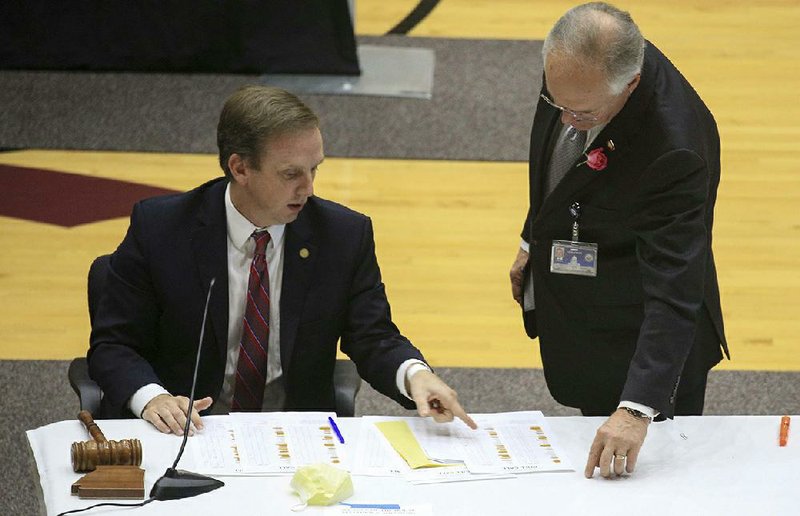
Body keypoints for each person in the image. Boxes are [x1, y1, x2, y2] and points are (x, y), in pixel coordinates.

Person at [89, 85, 476, 434]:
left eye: (314, 169)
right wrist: (152, 398)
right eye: (291, 174)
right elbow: (114, 344)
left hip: (296, 437)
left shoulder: (342, 235)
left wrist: (414, 375)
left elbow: (372, 335)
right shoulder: (162, 228)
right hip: (187, 431)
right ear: (240, 168)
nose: (308, 188)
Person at [509, 3, 728, 478]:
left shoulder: (675, 150)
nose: (566, 120)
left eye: (582, 112)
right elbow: (560, 169)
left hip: (644, 343)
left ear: (630, 84)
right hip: (589, 316)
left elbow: (674, 289)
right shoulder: (577, 71)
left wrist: (636, 409)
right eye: (556, 101)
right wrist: (534, 238)